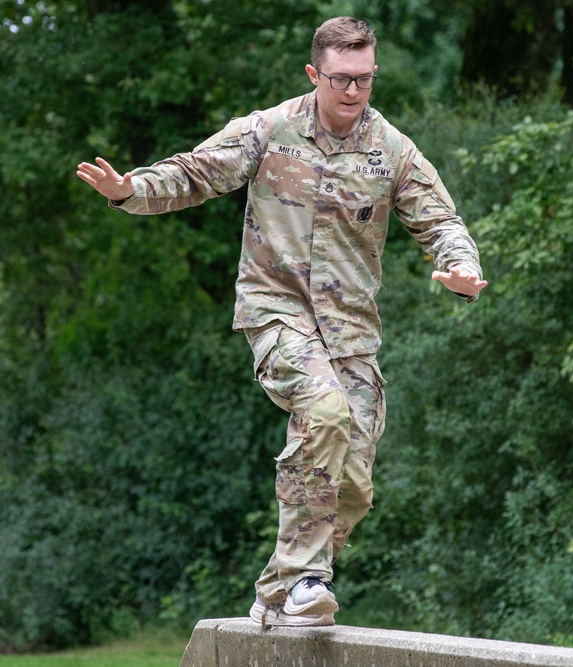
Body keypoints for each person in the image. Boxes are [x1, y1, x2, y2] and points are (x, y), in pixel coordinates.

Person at [77, 17, 487, 628]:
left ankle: (277, 593)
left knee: (352, 486)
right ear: (314, 73)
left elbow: (441, 221)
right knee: (323, 413)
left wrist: (460, 266)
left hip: (350, 330)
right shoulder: (269, 130)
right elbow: (197, 172)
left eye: (366, 79)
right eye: (342, 79)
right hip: (278, 312)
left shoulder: (393, 149)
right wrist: (129, 188)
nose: (354, 91)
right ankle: (306, 580)